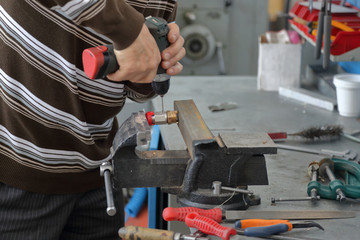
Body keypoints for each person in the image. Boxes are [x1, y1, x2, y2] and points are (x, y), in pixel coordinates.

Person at [0, 0, 185, 239]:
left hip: (98, 174)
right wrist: (130, 30)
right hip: (19, 173)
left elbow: (135, 87)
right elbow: (125, 29)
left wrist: (154, 60)